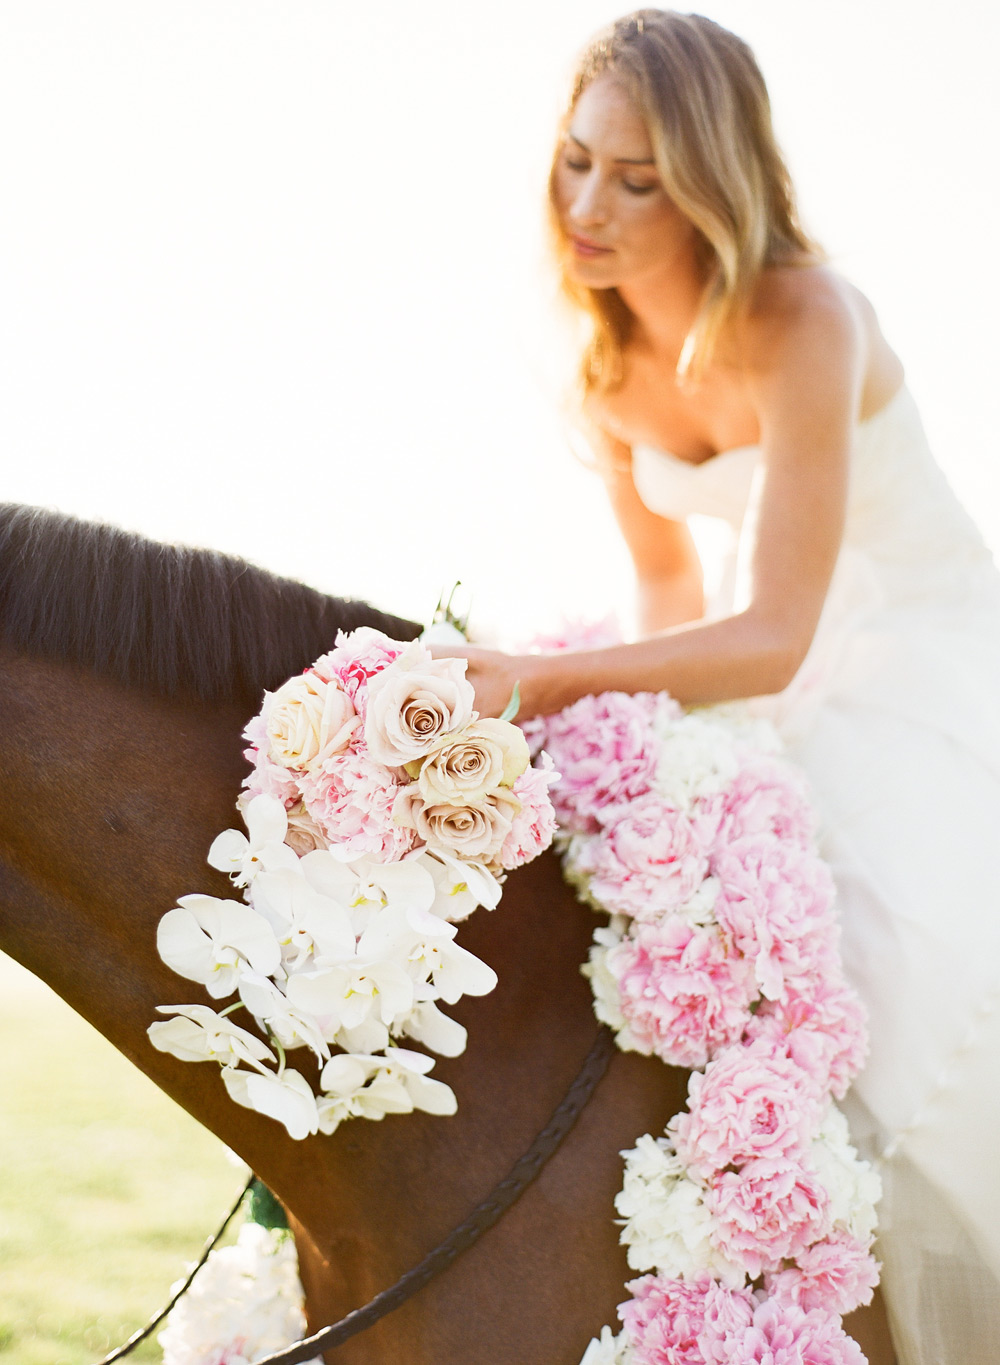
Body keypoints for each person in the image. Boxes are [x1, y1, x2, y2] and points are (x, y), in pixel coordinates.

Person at [431, 10, 1000, 1365]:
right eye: (577, 162)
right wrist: (639, 764)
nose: (589, 206)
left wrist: (546, 679)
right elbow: (675, 612)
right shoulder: (605, 361)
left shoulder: (806, 317)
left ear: (715, 184)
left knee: (908, 955)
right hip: (776, 675)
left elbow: (775, 631)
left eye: (638, 179)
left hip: (923, 658)